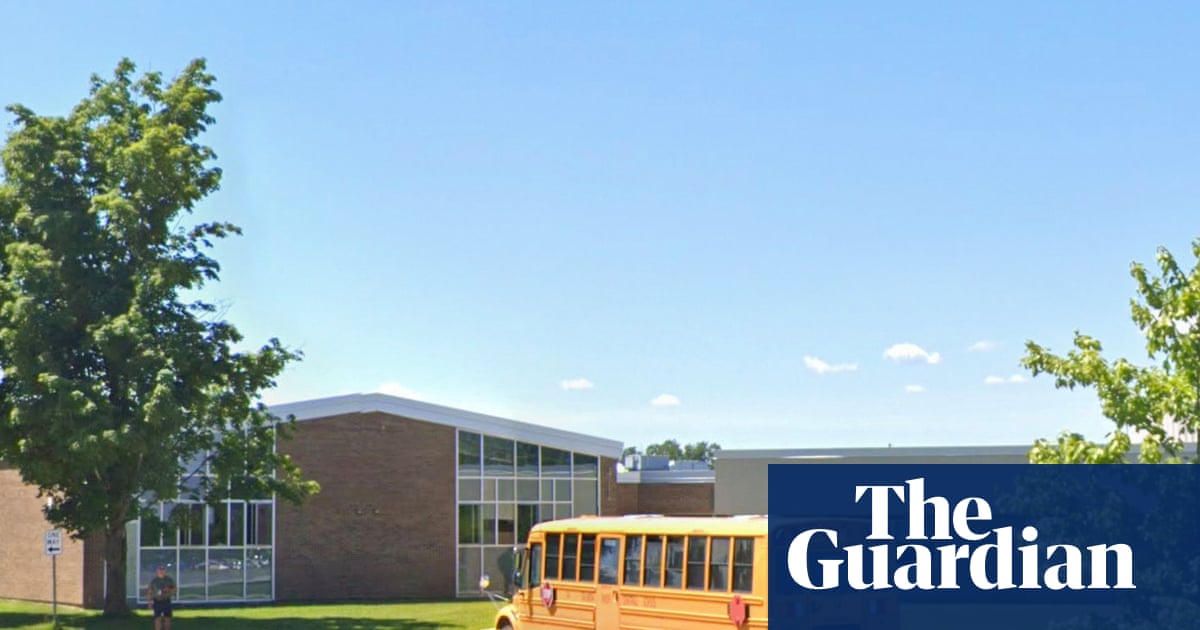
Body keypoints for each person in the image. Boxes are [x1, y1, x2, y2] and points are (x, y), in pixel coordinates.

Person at [147, 564, 177, 629]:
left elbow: (174, 590)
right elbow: (149, 592)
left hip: (166, 601)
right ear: (157, 572)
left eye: (162, 570)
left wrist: (168, 590)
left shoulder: (169, 580)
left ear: (165, 571)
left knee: (167, 619)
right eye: (160, 570)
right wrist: (149, 602)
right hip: (157, 602)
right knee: (157, 619)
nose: (161, 572)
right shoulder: (154, 581)